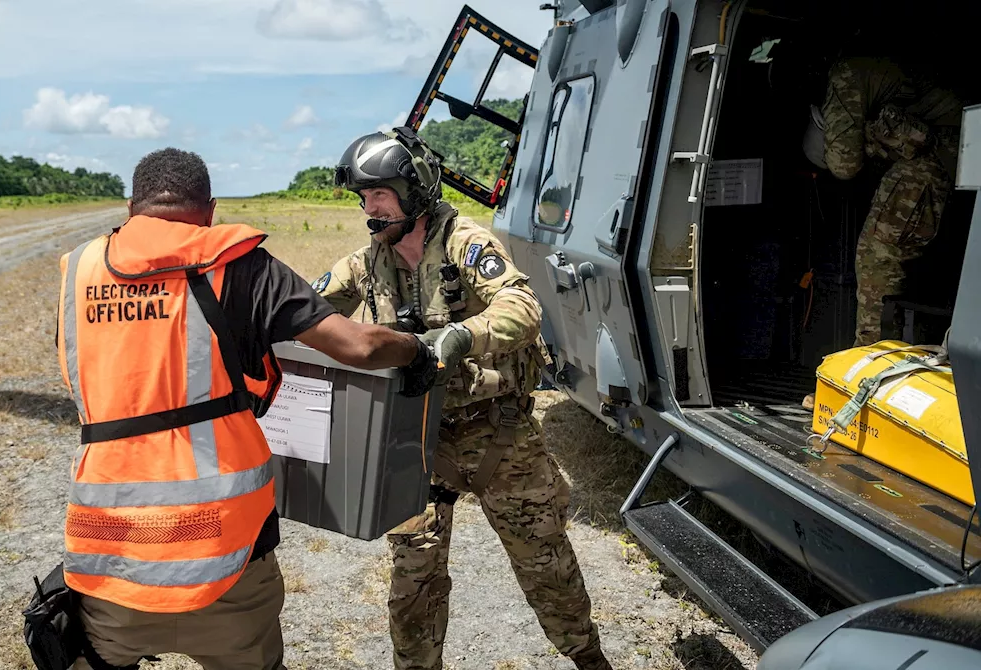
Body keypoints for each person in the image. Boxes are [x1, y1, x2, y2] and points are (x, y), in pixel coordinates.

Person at [53, 147, 438, 670]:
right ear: (210, 212)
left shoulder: (79, 271)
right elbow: (360, 347)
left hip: (107, 553)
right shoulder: (236, 263)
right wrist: (417, 350)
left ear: (130, 209)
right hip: (224, 553)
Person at [314, 127, 612, 670]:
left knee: (546, 565)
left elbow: (522, 305)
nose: (370, 210)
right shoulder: (369, 260)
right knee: (413, 579)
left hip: (496, 431)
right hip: (416, 436)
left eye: (379, 195)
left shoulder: (465, 243)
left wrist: (458, 337)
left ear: (415, 190)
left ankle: (589, 658)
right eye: (364, 198)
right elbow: (308, 306)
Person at [800, 55, 962, 409]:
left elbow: (843, 164)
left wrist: (856, 138)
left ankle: (864, 387)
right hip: (944, 152)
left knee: (877, 265)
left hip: (937, 157)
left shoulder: (846, 74)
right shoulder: (871, 65)